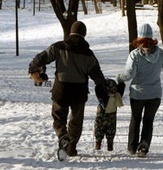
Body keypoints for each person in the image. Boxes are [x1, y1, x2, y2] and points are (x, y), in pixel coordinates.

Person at [28, 21, 107, 157]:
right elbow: (97, 75)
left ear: (71, 32)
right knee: (76, 121)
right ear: (84, 34)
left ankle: (63, 136)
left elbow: (42, 57)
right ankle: (71, 147)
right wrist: (104, 89)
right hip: (79, 92)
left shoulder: (59, 47)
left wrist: (32, 68)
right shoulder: (88, 54)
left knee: (58, 118)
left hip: (61, 90)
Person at [115, 23, 163, 157]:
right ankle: (144, 146)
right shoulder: (160, 53)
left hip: (138, 94)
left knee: (135, 119)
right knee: (148, 121)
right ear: (152, 38)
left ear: (139, 38)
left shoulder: (135, 55)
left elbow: (129, 74)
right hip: (155, 94)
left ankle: (132, 147)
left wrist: (118, 78)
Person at [94, 79, 125, 151]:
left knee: (99, 127)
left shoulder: (102, 98)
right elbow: (121, 88)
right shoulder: (116, 97)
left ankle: (98, 142)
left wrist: (99, 83)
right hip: (112, 115)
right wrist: (121, 81)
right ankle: (110, 144)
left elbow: (97, 89)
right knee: (111, 128)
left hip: (101, 114)